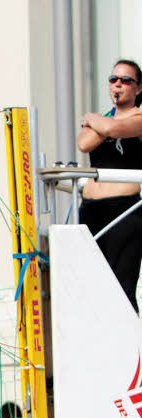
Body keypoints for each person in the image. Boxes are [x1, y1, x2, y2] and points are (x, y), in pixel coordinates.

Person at [77, 58, 142, 312]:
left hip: (123, 210)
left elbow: (114, 130)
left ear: (138, 88)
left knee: (121, 286)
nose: (118, 85)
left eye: (126, 80)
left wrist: (93, 119)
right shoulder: (103, 119)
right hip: (91, 208)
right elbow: (84, 143)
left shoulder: (138, 117)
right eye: (113, 79)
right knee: (92, 285)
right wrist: (102, 123)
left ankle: (132, 349)